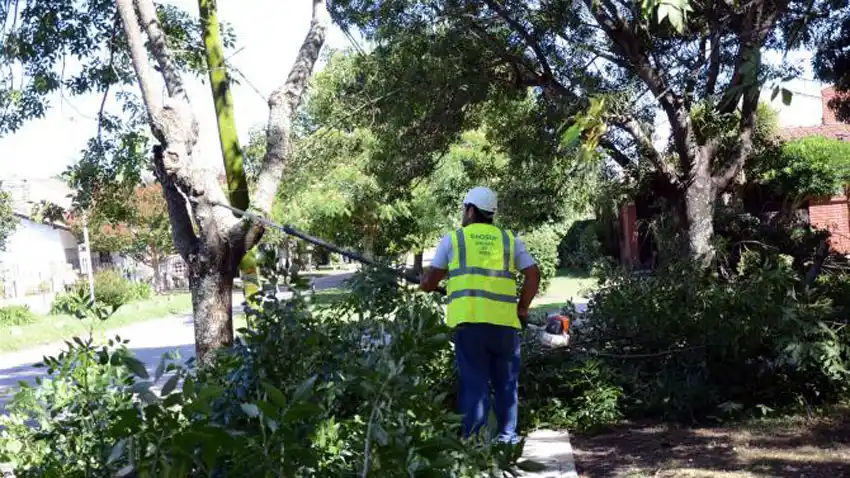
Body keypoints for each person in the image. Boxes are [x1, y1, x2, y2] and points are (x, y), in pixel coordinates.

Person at [420, 186, 540, 444]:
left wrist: (424, 283)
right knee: (506, 384)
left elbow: (430, 282)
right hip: (505, 326)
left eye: (465, 209)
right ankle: (507, 438)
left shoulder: (454, 240)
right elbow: (533, 274)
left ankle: (476, 443)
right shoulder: (509, 240)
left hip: (471, 326)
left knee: (475, 385)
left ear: (471, 210)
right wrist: (522, 308)